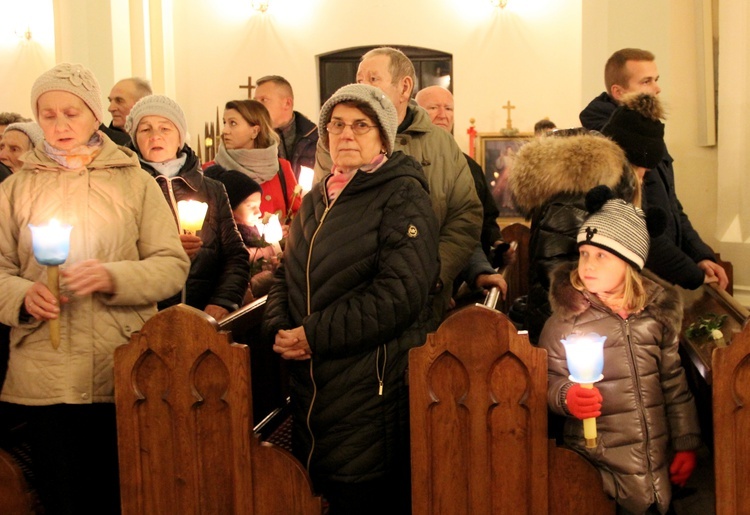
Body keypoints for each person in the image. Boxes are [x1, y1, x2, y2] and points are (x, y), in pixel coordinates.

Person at [0, 63, 190, 514]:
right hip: (47, 371)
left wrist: (113, 277)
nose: (60, 125)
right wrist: (22, 296)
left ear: (93, 115)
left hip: (121, 364)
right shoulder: (16, 187)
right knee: (62, 493)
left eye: (72, 112)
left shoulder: (134, 181)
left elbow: (170, 266)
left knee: (123, 493)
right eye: (48, 115)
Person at [263, 83, 440, 514]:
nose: (346, 134)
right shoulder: (319, 198)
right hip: (314, 387)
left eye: (361, 126)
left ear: (384, 136)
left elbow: (400, 293)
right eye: (337, 125)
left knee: (361, 496)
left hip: (369, 385)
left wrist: (315, 335)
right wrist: (280, 329)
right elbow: (287, 273)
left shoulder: (401, 194)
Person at [539, 189, 701, 514]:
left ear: (630, 262)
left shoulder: (655, 317)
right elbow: (543, 380)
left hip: (656, 463)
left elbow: (673, 384)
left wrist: (686, 443)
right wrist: (565, 396)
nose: (587, 265)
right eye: (583, 253)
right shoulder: (567, 320)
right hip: (597, 466)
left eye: (601, 255)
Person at [315, 46, 482, 320]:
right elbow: (324, 211)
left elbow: (465, 216)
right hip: (351, 301)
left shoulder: (441, 143)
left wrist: (433, 274)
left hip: (426, 299)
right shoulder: (337, 141)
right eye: (358, 79)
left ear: (404, 88)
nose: (361, 87)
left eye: (372, 79)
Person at [580, 48, 728, 291]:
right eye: (646, 81)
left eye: (656, 80)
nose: (657, 89)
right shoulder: (610, 146)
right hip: (633, 285)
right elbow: (638, 231)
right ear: (618, 91)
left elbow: (672, 207)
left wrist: (700, 255)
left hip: (662, 278)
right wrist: (693, 276)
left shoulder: (645, 133)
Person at [126, 94, 250, 321]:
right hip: (146, 318)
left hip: (204, 316)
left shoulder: (212, 190)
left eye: (165, 128)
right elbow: (117, 257)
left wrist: (222, 301)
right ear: (135, 139)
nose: (155, 136)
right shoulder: (125, 189)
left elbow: (235, 255)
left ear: (180, 137)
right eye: (145, 129)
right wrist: (165, 251)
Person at [509, 129, 638, 344]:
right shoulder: (572, 202)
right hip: (573, 330)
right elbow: (555, 272)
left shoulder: (563, 197)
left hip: (565, 324)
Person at [415, 85, 508, 304]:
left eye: (448, 108)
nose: (442, 114)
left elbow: (469, 224)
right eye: (433, 108)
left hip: (455, 280)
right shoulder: (403, 159)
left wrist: (488, 257)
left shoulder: (467, 165)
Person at [203, 99, 301, 223]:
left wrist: (289, 230)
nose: (225, 131)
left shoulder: (282, 168)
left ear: (254, 131)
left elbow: (297, 214)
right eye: (224, 123)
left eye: (233, 123)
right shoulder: (210, 172)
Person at [205, 167, 279, 302]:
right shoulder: (223, 243)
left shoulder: (261, 235)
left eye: (259, 205)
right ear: (229, 209)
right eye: (250, 206)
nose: (259, 213)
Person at [254, 75, 318, 180]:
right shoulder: (252, 139)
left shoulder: (316, 138)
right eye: (255, 101)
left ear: (287, 103)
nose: (257, 107)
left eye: (264, 100)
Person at [104, 77, 152, 146]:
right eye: (110, 101)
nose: (110, 108)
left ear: (141, 104)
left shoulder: (158, 141)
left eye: (119, 101)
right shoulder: (102, 144)